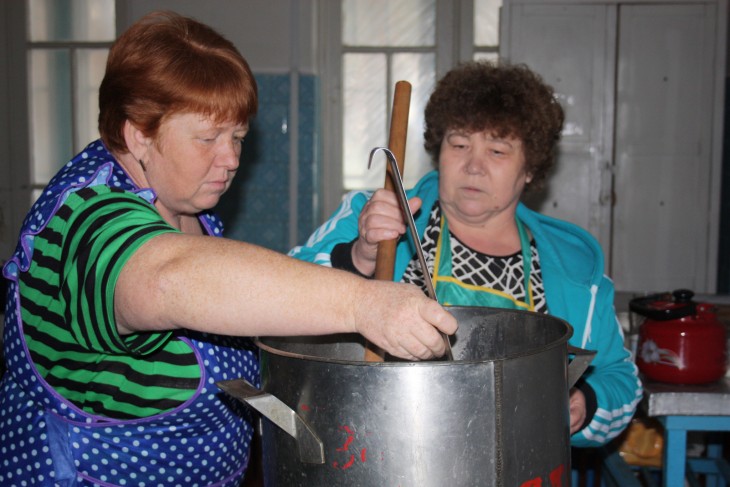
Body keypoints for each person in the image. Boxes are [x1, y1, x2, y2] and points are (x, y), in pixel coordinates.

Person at [0, 11, 457, 486]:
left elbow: (250, 300)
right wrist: (363, 305)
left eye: (237, 137)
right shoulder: (85, 219)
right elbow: (169, 277)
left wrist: (355, 262)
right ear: (139, 133)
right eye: (208, 138)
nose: (232, 159)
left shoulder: (180, 205)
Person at [290, 60, 643, 447]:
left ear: (530, 169)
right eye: (459, 144)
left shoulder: (572, 269)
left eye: (497, 151)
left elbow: (621, 380)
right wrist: (359, 256)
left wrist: (586, 403)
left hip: (516, 462)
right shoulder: (374, 217)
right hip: (378, 450)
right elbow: (280, 302)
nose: (473, 166)